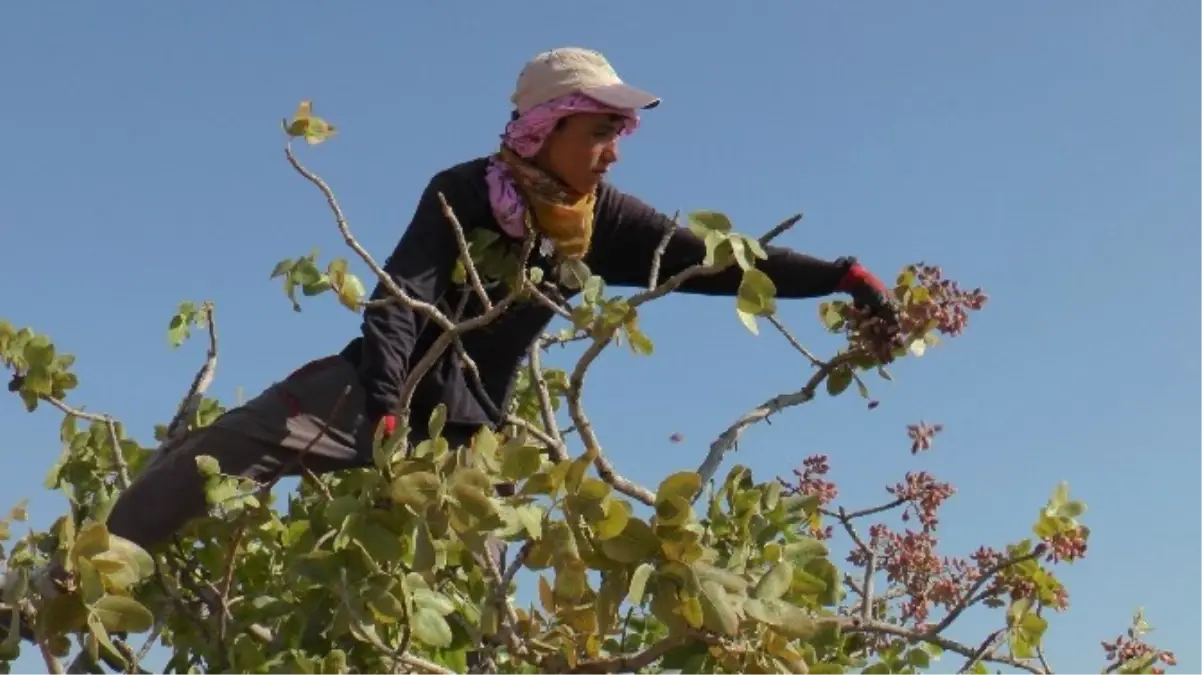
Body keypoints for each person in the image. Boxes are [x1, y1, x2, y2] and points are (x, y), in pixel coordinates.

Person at [5, 47, 899, 648]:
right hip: (374, 396)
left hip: (469, 443)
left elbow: (709, 261)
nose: (615, 153)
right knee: (199, 462)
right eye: (602, 133)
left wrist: (843, 273)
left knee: (472, 615)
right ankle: (47, 595)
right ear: (547, 126)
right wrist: (391, 402)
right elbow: (400, 299)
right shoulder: (465, 190)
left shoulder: (601, 222)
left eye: (620, 136)